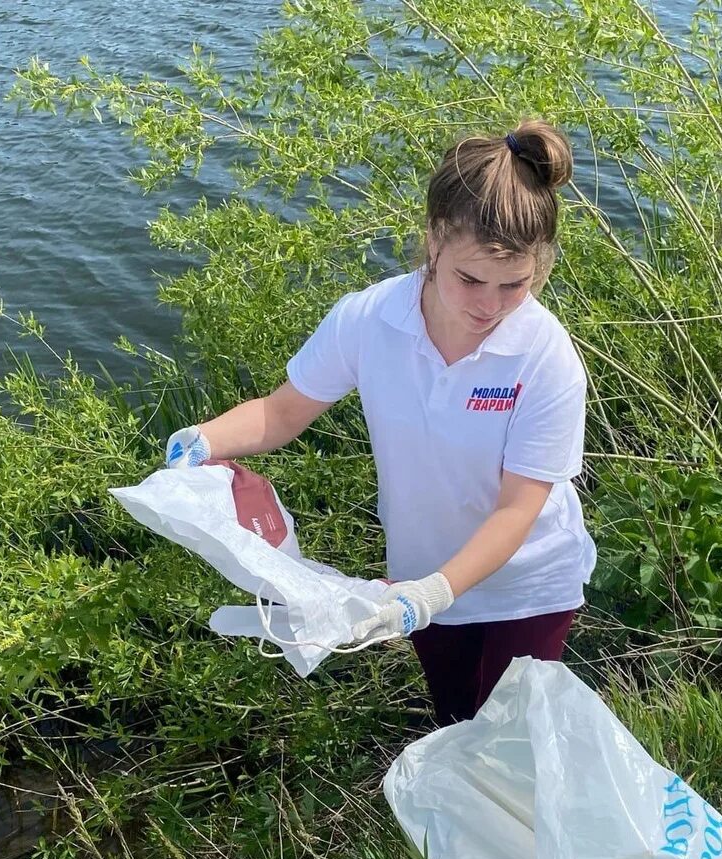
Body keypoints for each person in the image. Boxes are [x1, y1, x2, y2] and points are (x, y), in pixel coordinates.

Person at [165, 119, 595, 724]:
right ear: (434, 242)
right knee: (454, 719)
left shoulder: (546, 359)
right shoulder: (369, 320)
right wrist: (203, 440)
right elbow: (282, 412)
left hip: (524, 587)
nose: (488, 306)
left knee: (508, 740)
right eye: (469, 279)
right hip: (417, 581)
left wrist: (436, 591)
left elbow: (517, 509)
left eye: (514, 285)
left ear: (541, 266)